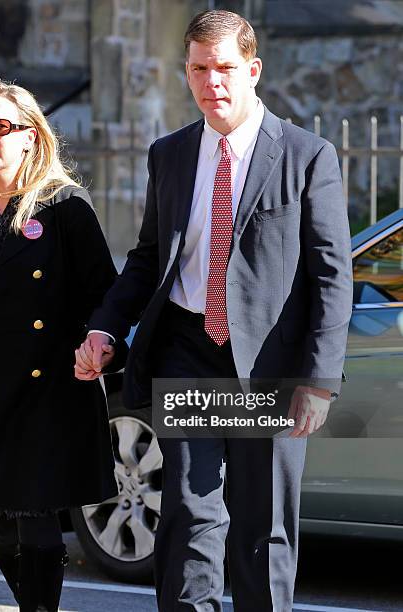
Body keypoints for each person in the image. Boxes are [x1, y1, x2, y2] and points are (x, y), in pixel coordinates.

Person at [75, 10, 352, 611]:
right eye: (200, 69)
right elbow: (149, 258)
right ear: (187, 72)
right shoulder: (170, 155)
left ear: (252, 70)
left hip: (268, 365)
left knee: (263, 526)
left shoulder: (307, 156)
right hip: (188, 350)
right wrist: (104, 326)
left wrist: (319, 381)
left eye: (225, 68)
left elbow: (333, 275)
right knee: (190, 517)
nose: (213, 83)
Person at [0, 79, 123, 611]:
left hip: (46, 389)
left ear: (31, 135)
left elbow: (105, 295)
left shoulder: (64, 208)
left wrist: (99, 347)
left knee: (37, 529)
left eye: (1, 126)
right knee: (2, 529)